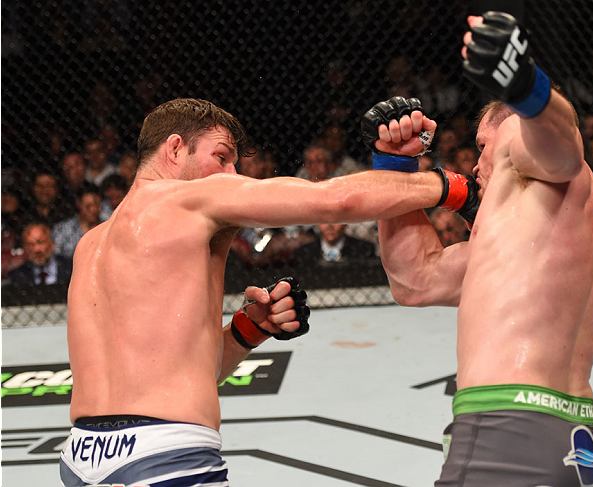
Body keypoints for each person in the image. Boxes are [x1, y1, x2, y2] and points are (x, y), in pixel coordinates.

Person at [60, 97, 470, 486]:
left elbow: (184, 373)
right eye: (220, 157)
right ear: (174, 149)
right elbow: (336, 201)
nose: (231, 177)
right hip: (165, 454)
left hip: (81, 456)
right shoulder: (188, 199)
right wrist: (455, 189)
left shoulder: (90, 244)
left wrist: (247, 331)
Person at [365, 12, 593, 486]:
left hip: (506, 422)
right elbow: (415, 280)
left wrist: (524, 88)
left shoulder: (525, 140)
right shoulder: (563, 232)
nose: (475, 162)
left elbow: (562, 148)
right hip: (574, 437)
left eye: (480, 145)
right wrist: (395, 167)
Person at [8, 222, 72, 285]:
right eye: (30, 244)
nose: (37, 250)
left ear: (52, 244)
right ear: (25, 248)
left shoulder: (71, 269)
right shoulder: (17, 275)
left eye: (41, 242)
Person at [53, 182, 103, 259]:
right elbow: (56, 256)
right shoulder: (63, 229)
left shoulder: (107, 228)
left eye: (96, 205)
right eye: (88, 206)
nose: (93, 210)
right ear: (79, 204)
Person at [292, 223, 376, 266]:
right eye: (324, 221)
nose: (329, 226)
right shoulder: (304, 252)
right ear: (317, 224)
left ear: (345, 223)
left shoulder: (363, 249)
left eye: (335, 221)